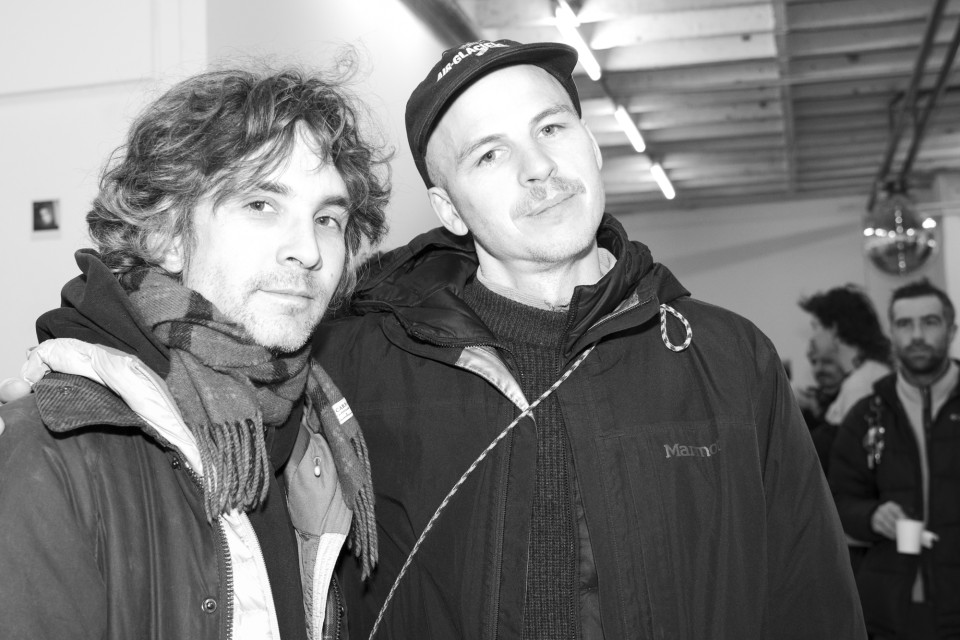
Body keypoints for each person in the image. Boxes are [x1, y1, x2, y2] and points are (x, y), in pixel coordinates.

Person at [319, 40, 865, 639]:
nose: (538, 167)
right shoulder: (356, 370)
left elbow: (810, 596)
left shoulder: (731, 358)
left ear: (593, 146)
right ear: (449, 209)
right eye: (490, 154)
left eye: (551, 128)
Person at [0, 66, 387, 639]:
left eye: (327, 218)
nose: (308, 250)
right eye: (261, 204)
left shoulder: (313, 430)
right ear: (168, 236)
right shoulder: (51, 449)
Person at [830, 280, 960, 640]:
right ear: (892, 334)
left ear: (951, 331)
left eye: (929, 322)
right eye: (905, 324)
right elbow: (837, 500)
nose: (916, 335)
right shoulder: (866, 415)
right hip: (892, 613)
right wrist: (871, 516)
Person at [799, 285, 893, 428]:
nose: (812, 338)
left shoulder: (860, 384)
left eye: (815, 326)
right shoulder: (862, 377)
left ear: (834, 328)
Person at [796, 337, 847, 472]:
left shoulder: (853, 401)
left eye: (827, 362)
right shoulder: (805, 405)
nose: (818, 369)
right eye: (814, 362)